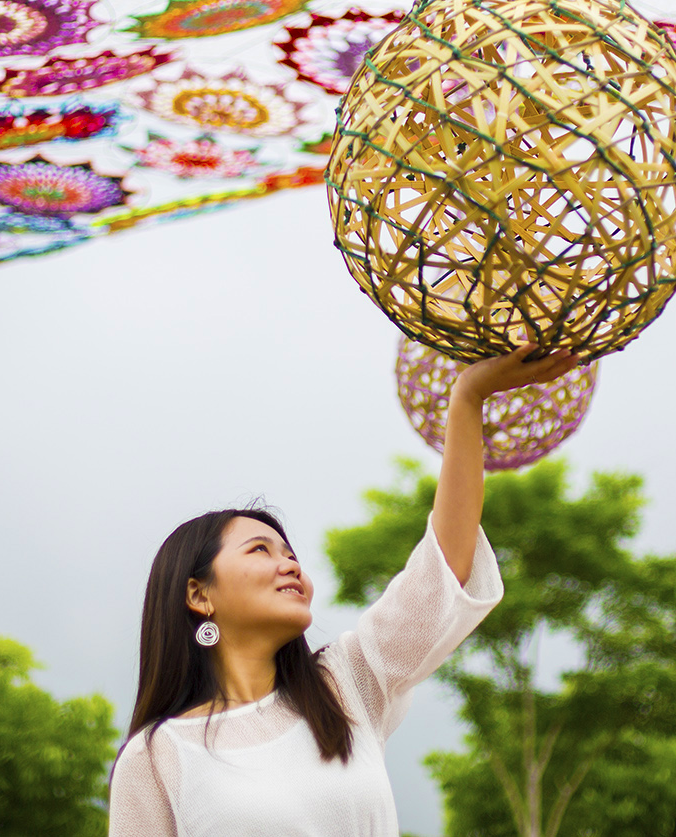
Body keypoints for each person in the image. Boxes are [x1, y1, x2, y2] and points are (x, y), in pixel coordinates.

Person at [108, 344, 580, 836]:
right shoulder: (156, 757)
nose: (289, 565)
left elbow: (442, 571)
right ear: (198, 595)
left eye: (291, 554)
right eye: (260, 551)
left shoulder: (346, 685)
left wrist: (466, 400)